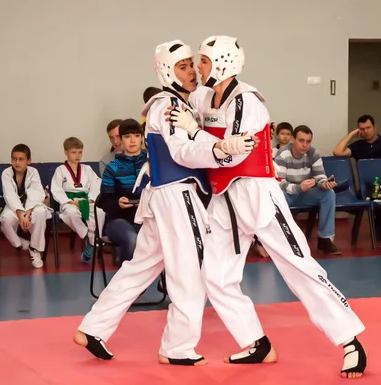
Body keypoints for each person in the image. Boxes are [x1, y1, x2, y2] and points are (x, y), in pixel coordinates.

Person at [167, 35, 367, 378]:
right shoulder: (204, 95)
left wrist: (195, 132)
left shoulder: (248, 101)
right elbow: (187, 106)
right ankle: (255, 341)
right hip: (224, 198)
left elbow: (235, 150)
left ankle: (351, 341)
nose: (198, 67)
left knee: (297, 265)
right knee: (214, 275)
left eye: (202, 60)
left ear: (222, 63)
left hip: (258, 195)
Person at [74, 40, 252, 365]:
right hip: (176, 194)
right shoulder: (170, 106)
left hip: (164, 196)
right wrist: (223, 149)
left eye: (191, 64)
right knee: (191, 271)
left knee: (140, 268)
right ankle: (177, 348)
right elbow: (182, 151)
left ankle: (93, 328)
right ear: (168, 71)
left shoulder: (175, 103)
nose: (192, 70)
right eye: (183, 65)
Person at [332, 115, 381, 241]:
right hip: (369, 185)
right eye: (362, 129)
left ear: (375, 127)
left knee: (380, 189)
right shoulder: (358, 146)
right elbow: (337, 152)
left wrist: (380, 169)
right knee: (374, 192)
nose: (365, 131)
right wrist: (351, 135)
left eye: (368, 127)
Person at [274, 125, 340, 254]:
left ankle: (325, 239)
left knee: (329, 194)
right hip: (287, 194)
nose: (305, 145)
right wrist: (299, 187)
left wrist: (324, 184)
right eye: (301, 140)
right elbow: (279, 183)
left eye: (308, 141)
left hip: (304, 194)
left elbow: (320, 176)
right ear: (293, 140)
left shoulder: (313, 153)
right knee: (277, 196)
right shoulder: (282, 154)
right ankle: (281, 241)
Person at [98, 119, 147, 265]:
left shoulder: (152, 162)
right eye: (127, 136)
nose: (132, 140)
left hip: (148, 218)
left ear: (142, 138)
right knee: (132, 240)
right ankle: (127, 280)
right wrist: (117, 203)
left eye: (137, 136)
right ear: (120, 139)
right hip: (119, 220)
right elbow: (105, 201)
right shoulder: (112, 167)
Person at [51, 137, 104, 263]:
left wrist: (91, 199)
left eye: (80, 152)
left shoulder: (87, 169)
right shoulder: (60, 170)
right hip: (69, 201)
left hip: (85, 200)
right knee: (71, 213)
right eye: (74, 152)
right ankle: (87, 235)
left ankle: (92, 244)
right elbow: (56, 189)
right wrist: (69, 202)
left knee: (99, 212)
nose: (77, 155)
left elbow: (97, 184)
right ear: (66, 152)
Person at [0, 144, 51, 269]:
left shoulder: (33, 172)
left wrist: (27, 214)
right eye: (14, 159)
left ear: (29, 160)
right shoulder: (6, 173)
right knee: (5, 220)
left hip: (32, 206)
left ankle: (35, 249)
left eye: (21, 159)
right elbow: (9, 195)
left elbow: (35, 193)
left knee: (40, 213)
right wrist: (20, 215)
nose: (17, 162)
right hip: (14, 207)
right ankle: (21, 244)